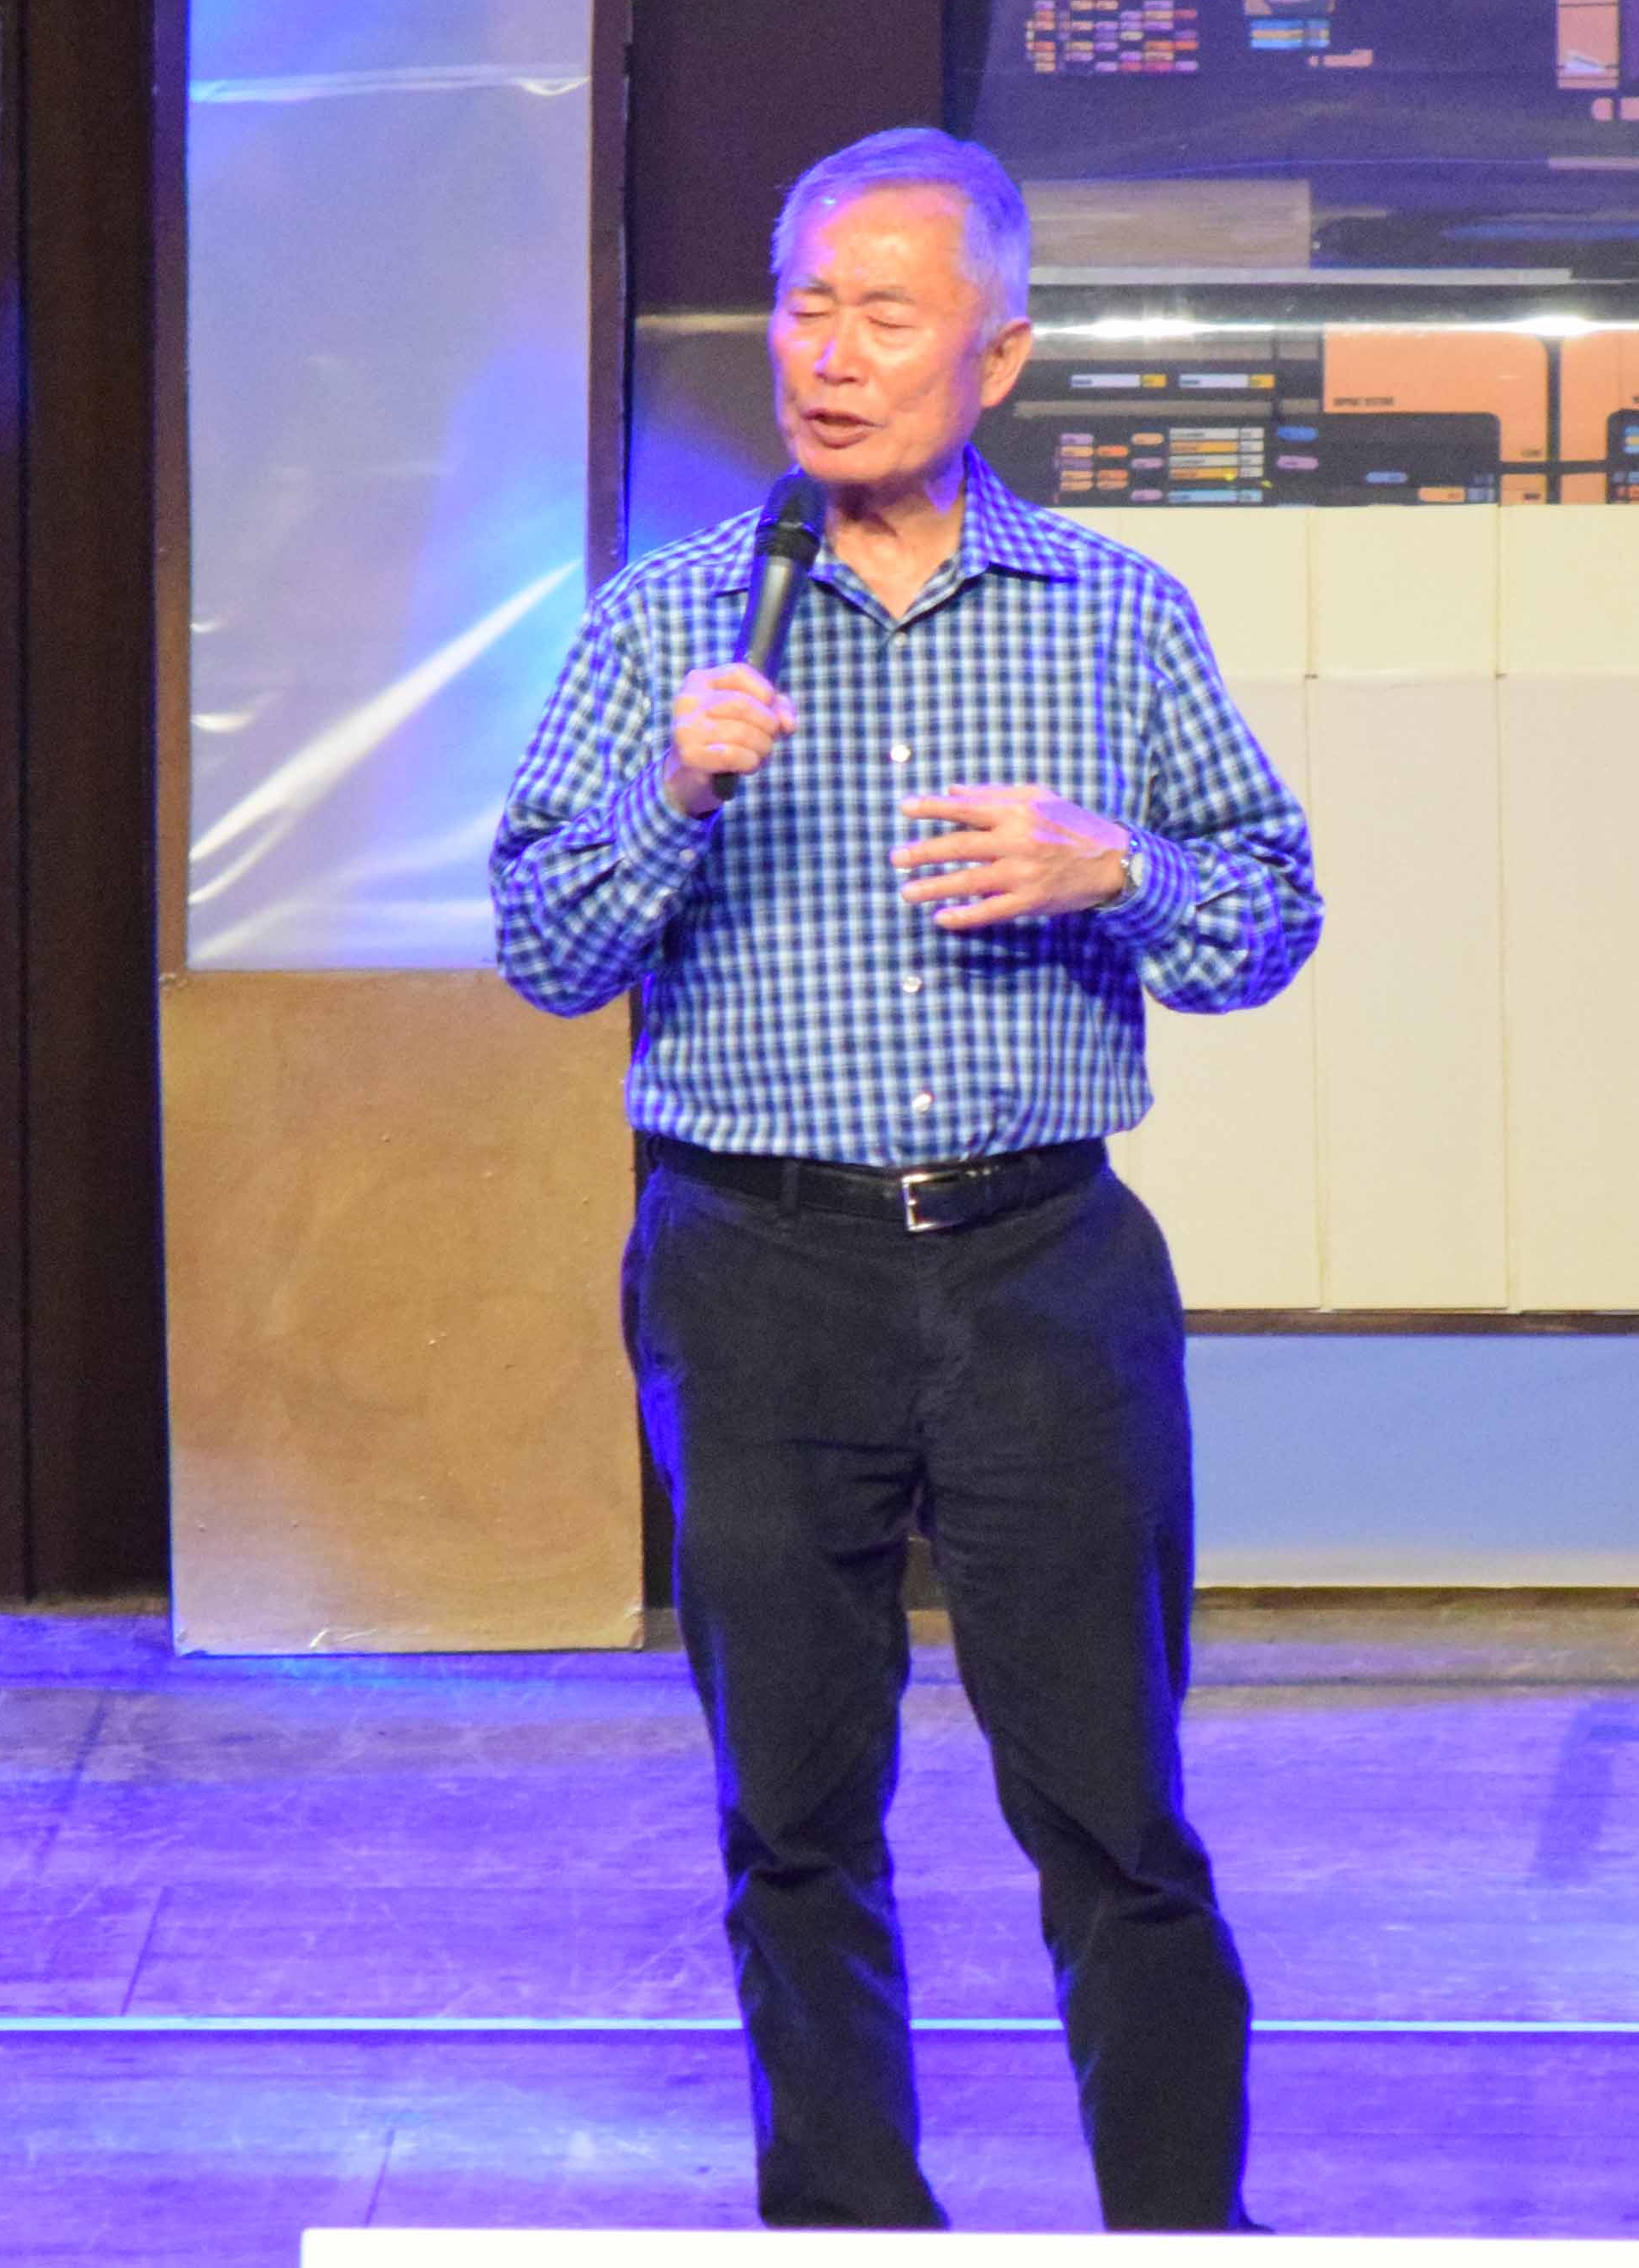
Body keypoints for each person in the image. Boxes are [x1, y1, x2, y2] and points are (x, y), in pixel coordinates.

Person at [490, 125, 1320, 2231]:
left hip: (1042, 1263)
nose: (829, 355)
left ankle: (1178, 2235)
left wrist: (1114, 867)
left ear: (998, 354)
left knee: (1113, 1809)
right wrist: (677, 794)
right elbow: (544, 950)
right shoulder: (668, 624)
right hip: (756, 1272)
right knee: (791, 1811)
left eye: (884, 314)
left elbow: (1268, 919)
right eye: (804, 308)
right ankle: (850, 2233)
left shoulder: (1109, 616)